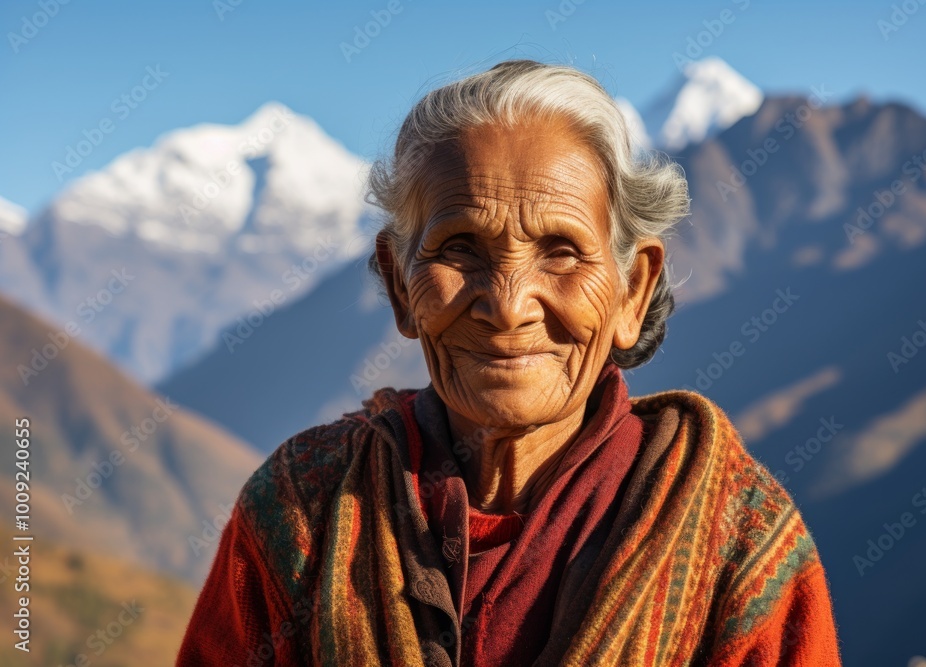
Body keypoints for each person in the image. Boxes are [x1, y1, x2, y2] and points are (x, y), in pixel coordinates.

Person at [177, 59, 841, 666]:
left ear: (632, 291)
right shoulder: (302, 509)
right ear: (397, 282)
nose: (507, 304)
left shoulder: (737, 542)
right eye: (460, 248)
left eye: (561, 251)